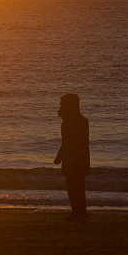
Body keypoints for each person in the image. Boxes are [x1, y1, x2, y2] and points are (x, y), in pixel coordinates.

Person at [54, 93, 90, 222]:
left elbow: (68, 142)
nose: (60, 107)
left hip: (73, 158)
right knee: (78, 187)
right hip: (81, 158)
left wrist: (59, 157)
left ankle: (78, 212)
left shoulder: (70, 122)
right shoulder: (81, 120)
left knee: (73, 187)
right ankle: (80, 212)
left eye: (62, 104)